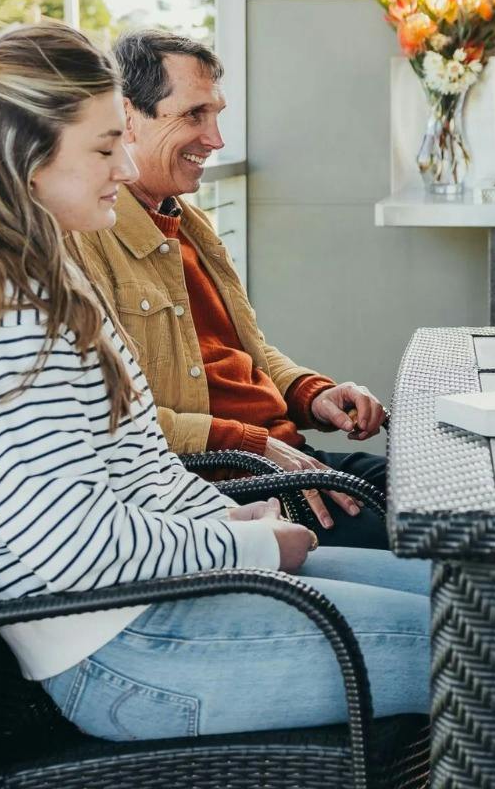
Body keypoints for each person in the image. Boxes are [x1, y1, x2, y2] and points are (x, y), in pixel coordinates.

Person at [0, 24, 495, 787]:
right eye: (105, 148)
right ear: (28, 153)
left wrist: (228, 522)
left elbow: (130, 472)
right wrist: (248, 546)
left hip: (164, 602)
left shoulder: (31, 271)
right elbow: (75, 551)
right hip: (128, 653)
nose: (122, 166)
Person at [69, 29, 391, 551]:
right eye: (195, 115)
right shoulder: (85, 240)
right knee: (465, 542)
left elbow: (248, 352)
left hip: (283, 452)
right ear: (127, 118)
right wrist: (251, 444)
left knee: (482, 505)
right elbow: (119, 418)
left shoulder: (188, 222)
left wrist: (313, 394)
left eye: (216, 114)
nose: (216, 140)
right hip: (230, 486)